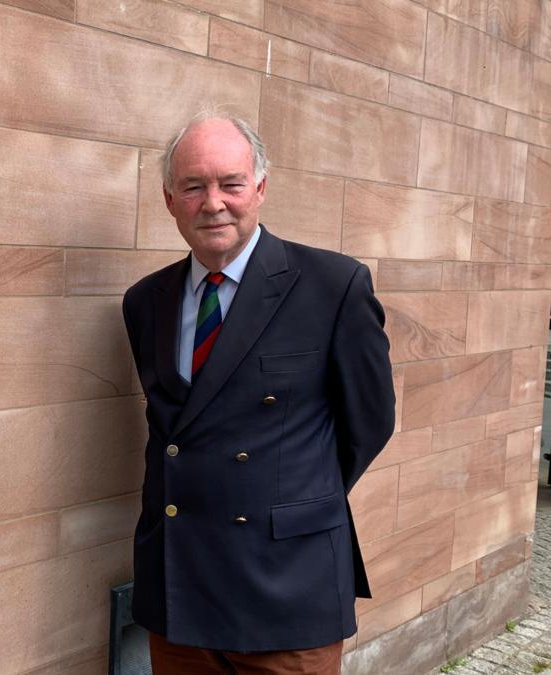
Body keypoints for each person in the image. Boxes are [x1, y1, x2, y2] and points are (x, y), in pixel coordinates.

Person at [120, 113, 395, 675]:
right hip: (179, 588)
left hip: (286, 589)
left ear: (261, 188)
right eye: (193, 186)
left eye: (231, 183)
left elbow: (369, 424)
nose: (212, 202)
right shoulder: (145, 301)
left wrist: (286, 497)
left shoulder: (333, 286)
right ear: (170, 200)